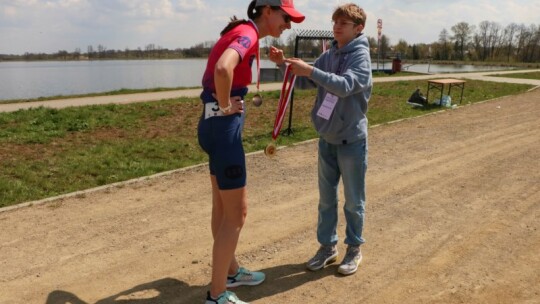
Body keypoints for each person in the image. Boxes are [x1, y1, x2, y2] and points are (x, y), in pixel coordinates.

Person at [197, 1, 304, 303]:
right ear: (267, 11)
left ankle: (230, 272)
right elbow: (222, 68)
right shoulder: (248, 33)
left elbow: (223, 67)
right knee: (237, 214)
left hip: (211, 125)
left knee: (222, 207)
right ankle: (217, 294)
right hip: (224, 127)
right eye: (286, 17)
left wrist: (221, 106)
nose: (289, 25)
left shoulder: (243, 32)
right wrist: (226, 105)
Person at [284, 3, 372, 276]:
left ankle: (354, 249)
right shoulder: (330, 52)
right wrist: (285, 65)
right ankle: (327, 247)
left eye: (343, 23)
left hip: (351, 141)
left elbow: (346, 86)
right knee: (325, 200)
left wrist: (310, 71)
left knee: (353, 201)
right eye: (335, 22)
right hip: (327, 138)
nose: (336, 27)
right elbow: (306, 82)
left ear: (358, 29)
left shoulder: (361, 55)